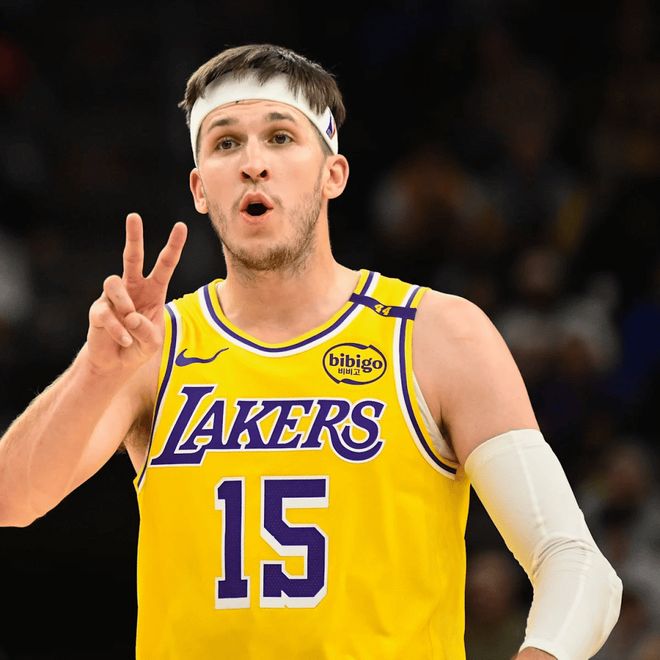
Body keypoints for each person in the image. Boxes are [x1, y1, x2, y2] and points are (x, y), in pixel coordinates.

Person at [0, 43, 622, 659]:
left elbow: (574, 562)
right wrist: (94, 371)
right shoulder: (156, 346)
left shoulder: (436, 336)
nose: (253, 163)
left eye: (280, 137)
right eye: (225, 143)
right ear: (199, 187)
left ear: (333, 174)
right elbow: (11, 499)